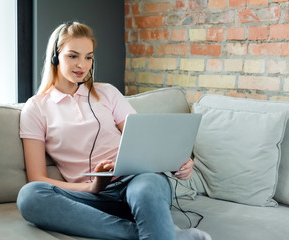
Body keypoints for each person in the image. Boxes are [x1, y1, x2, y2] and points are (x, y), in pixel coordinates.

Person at [17, 21, 211, 240]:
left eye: (88, 57)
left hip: (139, 184)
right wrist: (92, 187)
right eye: (73, 56)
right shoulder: (36, 107)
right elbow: (37, 178)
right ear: (55, 56)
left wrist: (179, 162)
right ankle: (163, 235)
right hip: (90, 198)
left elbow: (146, 141)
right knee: (30, 197)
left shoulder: (107, 93)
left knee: (147, 186)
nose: (82, 65)